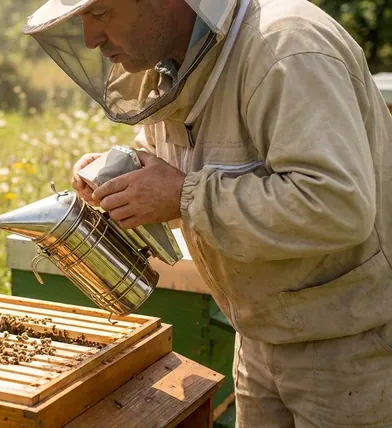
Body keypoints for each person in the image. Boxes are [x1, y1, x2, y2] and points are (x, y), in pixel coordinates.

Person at [21, 0, 392, 426]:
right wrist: (121, 172)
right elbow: (193, 156)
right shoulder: (171, 64)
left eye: (101, 14)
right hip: (258, 335)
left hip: (351, 348)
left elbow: (337, 205)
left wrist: (183, 196)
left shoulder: (287, 48)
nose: (90, 40)